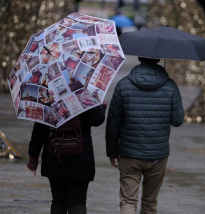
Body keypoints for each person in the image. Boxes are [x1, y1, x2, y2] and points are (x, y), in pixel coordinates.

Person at [106, 57, 185, 214]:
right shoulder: (170, 86)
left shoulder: (123, 85)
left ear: (140, 58)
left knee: (128, 200)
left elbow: (113, 123)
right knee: (149, 203)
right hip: (158, 155)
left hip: (129, 154)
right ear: (158, 59)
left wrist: (112, 152)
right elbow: (177, 121)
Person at [27, 104, 106, 214]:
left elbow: (39, 131)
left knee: (58, 201)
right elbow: (98, 119)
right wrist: (101, 107)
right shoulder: (83, 96)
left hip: (54, 156)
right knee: (78, 202)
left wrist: (33, 157)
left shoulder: (48, 98)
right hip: (80, 158)